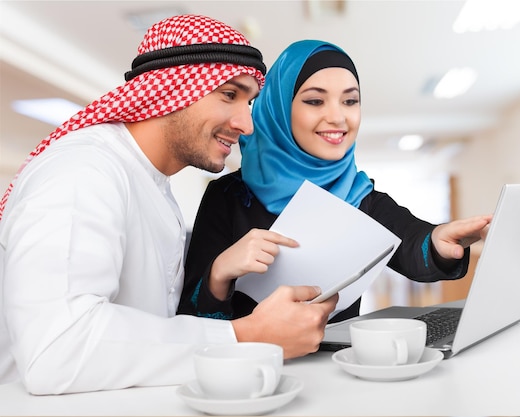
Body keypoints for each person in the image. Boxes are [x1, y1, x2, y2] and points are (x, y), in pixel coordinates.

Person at [0, 16, 338, 395]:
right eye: (229, 94)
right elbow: (56, 350)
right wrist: (243, 335)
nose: (247, 124)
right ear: (172, 88)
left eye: (250, 101)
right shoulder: (83, 172)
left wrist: (218, 279)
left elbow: (148, 336)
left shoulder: (153, 186)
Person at [178, 40, 491, 322]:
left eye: (350, 101)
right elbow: (191, 318)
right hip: (256, 375)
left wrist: (440, 240)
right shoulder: (228, 196)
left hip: (339, 373)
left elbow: (412, 244)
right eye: (315, 101)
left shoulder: (358, 194)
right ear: (280, 110)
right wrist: (219, 273)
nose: (338, 117)